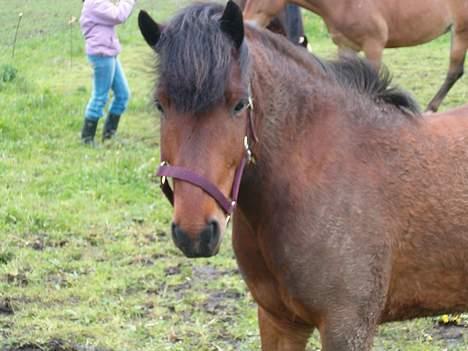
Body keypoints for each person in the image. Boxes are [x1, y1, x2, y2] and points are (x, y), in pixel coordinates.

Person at [79, 0, 137, 144]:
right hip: (101, 54)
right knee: (100, 97)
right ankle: (87, 138)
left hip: (108, 52)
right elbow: (118, 15)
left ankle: (109, 136)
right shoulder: (94, 2)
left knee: (123, 94)